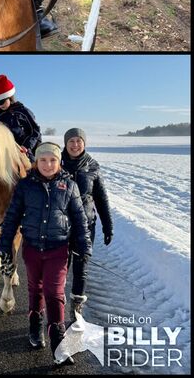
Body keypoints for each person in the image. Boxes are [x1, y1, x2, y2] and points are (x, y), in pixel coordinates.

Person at [0, 142, 92, 365]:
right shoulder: (24, 186)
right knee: (35, 288)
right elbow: (11, 217)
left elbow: (79, 220)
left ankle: (58, 342)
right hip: (31, 249)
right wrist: (4, 244)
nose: (48, 165)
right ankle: (35, 325)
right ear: (36, 162)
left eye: (52, 160)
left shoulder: (69, 186)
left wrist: (84, 246)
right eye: (43, 160)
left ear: (59, 162)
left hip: (58, 250)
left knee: (54, 292)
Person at [61, 128, 113, 319]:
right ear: (65, 144)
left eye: (78, 141)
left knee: (81, 266)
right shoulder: (56, 163)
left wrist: (108, 226)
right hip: (60, 225)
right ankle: (58, 301)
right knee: (60, 266)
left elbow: (101, 198)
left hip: (85, 225)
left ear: (84, 143)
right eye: (71, 141)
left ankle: (76, 308)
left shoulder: (92, 166)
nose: (75, 145)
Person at [0, 74, 41, 161]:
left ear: (10, 97)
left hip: (23, 151)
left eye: (2, 101)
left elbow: (35, 131)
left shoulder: (22, 112)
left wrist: (26, 146)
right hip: (3, 153)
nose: (1, 105)